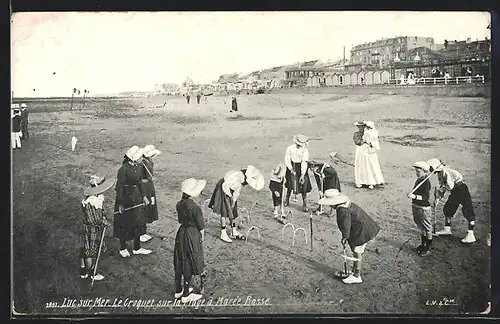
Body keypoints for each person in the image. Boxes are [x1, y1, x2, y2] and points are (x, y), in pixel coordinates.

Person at [318, 189, 381, 284]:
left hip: (362, 231)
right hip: (362, 228)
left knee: (357, 252)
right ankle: (354, 271)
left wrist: (344, 237)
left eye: (330, 204)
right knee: (356, 251)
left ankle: (357, 276)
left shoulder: (342, 210)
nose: (330, 206)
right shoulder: (346, 203)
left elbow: (345, 224)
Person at [113, 145, 152, 257]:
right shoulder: (123, 169)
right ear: (134, 158)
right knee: (124, 223)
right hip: (125, 197)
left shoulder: (138, 167)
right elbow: (119, 186)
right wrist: (120, 203)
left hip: (137, 197)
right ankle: (123, 247)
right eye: (140, 157)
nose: (141, 159)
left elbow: (140, 182)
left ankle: (137, 247)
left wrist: (144, 196)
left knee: (138, 222)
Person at [208, 165, 264, 243]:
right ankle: (223, 233)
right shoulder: (237, 177)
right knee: (224, 210)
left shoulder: (242, 180)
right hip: (224, 188)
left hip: (231, 190)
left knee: (232, 210)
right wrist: (229, 197)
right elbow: (226, 186)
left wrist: (233, 202)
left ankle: (233, 231)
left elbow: (237, 191)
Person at [427, 158, 476, 243]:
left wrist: (440, 190)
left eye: (431, 168)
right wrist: (438, 199)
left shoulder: (446, 172)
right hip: (455, 191)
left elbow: (450, 186)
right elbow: (444, 187)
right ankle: (447, 230)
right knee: (448, 209)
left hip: (461, 189)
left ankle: (471, 235)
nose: (430, 170)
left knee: (467, 210)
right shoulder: (440, 173)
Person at [174, 178, 206, 303]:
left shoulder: (179, 204)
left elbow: (180, 221)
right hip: (192, 234)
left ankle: (178, 290)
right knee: (189, 260)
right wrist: (201, 238)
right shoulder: (195, 207)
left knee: (180, 259)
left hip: (181, 232)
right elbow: (201, 226)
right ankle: (186, 294)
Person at [79, 175, 116, 281]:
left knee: (86, 250)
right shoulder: (90, 202)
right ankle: (92, 273)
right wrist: (102, 222)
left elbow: (101, 212)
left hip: (93, 228)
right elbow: (91, 219)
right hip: (91, 229)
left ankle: (83, 270)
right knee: (89, 251)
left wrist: (103, 217)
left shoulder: (97, 199)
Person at [407, 161, 433, 256]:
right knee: (421, 227)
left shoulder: (426, 183)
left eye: (418, 171)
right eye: (416, 171)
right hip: (416, 206)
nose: (416, 173)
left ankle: (427, 248)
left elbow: (425, 197)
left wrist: (414, 197)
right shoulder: (419, 180)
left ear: (424, 171)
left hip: (423, 208)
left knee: (427, 227)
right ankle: (423, 244)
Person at [138, 145, 162, 243]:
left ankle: (143, 232)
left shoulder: (147, 162)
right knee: (144, 209)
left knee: (147, 208)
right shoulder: (144, 164)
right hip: (145, 189)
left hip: (149, 188)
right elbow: (144, 178)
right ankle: (140, 233)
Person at [284, 134, 313, 212]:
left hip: (301, 168)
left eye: (300, 145)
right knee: (290, 184)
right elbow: (287, 159)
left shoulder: (305, 150)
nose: (299, 146)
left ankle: (304, 203)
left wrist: (303, 174)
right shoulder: (290, 148)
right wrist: (291, 169)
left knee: (304, 185)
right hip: (292, 166)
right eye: (298, 144)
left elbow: (304, 162)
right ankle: (287, 199)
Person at [354, 121, 384, 189]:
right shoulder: (356, 134)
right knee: (361, 165)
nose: (360, 128)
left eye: (362, 126)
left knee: (370, 165)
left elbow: (374, 142)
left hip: (369, 151)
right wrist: (364, 142)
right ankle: (360, 181)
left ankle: (372, 181)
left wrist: (371, 144)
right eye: (359, 126)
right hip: (360, 151)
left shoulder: (370, 133)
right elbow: (357, 142)